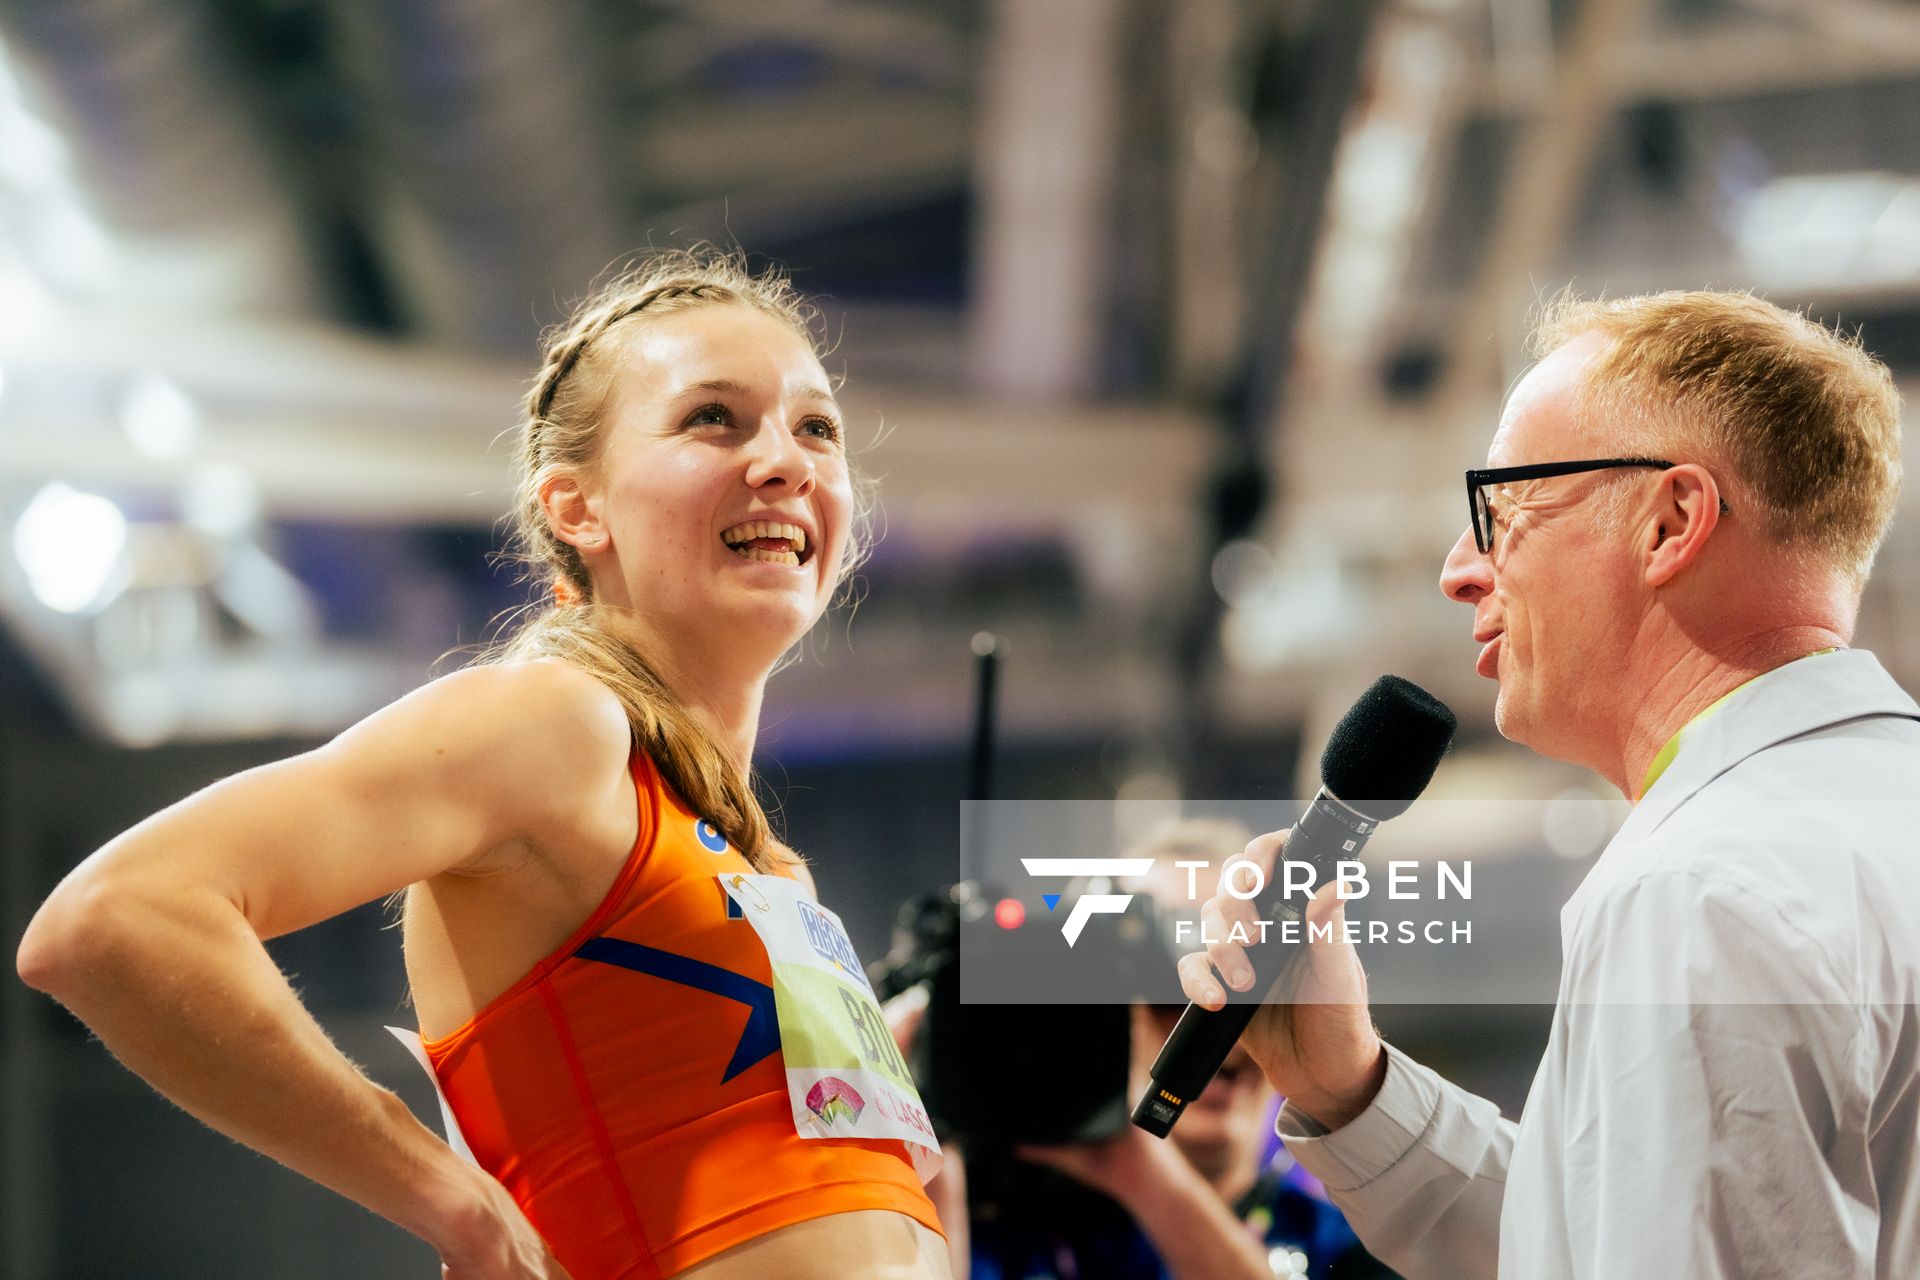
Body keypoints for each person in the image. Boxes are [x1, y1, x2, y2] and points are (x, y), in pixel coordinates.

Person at [16, 248, 955, 1280]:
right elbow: (113, 916)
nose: (786, 461)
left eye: (816, 426)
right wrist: (451, 1202)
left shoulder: (778, 875)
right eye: (711, 419)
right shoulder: (560, 724)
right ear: (576, 509)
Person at [1180, 290, 1919, 1278]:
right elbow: (1602, 1236)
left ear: (1671, 520)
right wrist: (1351, 1087)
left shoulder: (1704, 887)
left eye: (1506, 506)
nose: (1460, 569)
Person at [970, 820, 1393, 1280]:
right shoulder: (1011, 1228)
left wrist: (1142, 1171)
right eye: (1164, 984)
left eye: (1252, 988)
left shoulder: (1356, 1241)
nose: (1211, 1023)